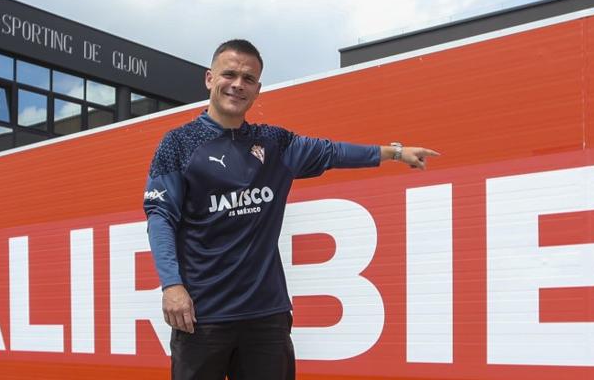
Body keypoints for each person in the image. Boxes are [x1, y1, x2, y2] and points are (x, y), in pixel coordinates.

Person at [143, 39, 439, 380]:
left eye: (248, 79)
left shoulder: (275, 144)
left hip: (266, 318)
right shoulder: (178, 144)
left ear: (258, 89)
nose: (238, 84)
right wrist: (171, 286)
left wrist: (395, 153)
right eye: (230, 74)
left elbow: (332, 152)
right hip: (201, 316)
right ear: (210, 79)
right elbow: (161, 218)